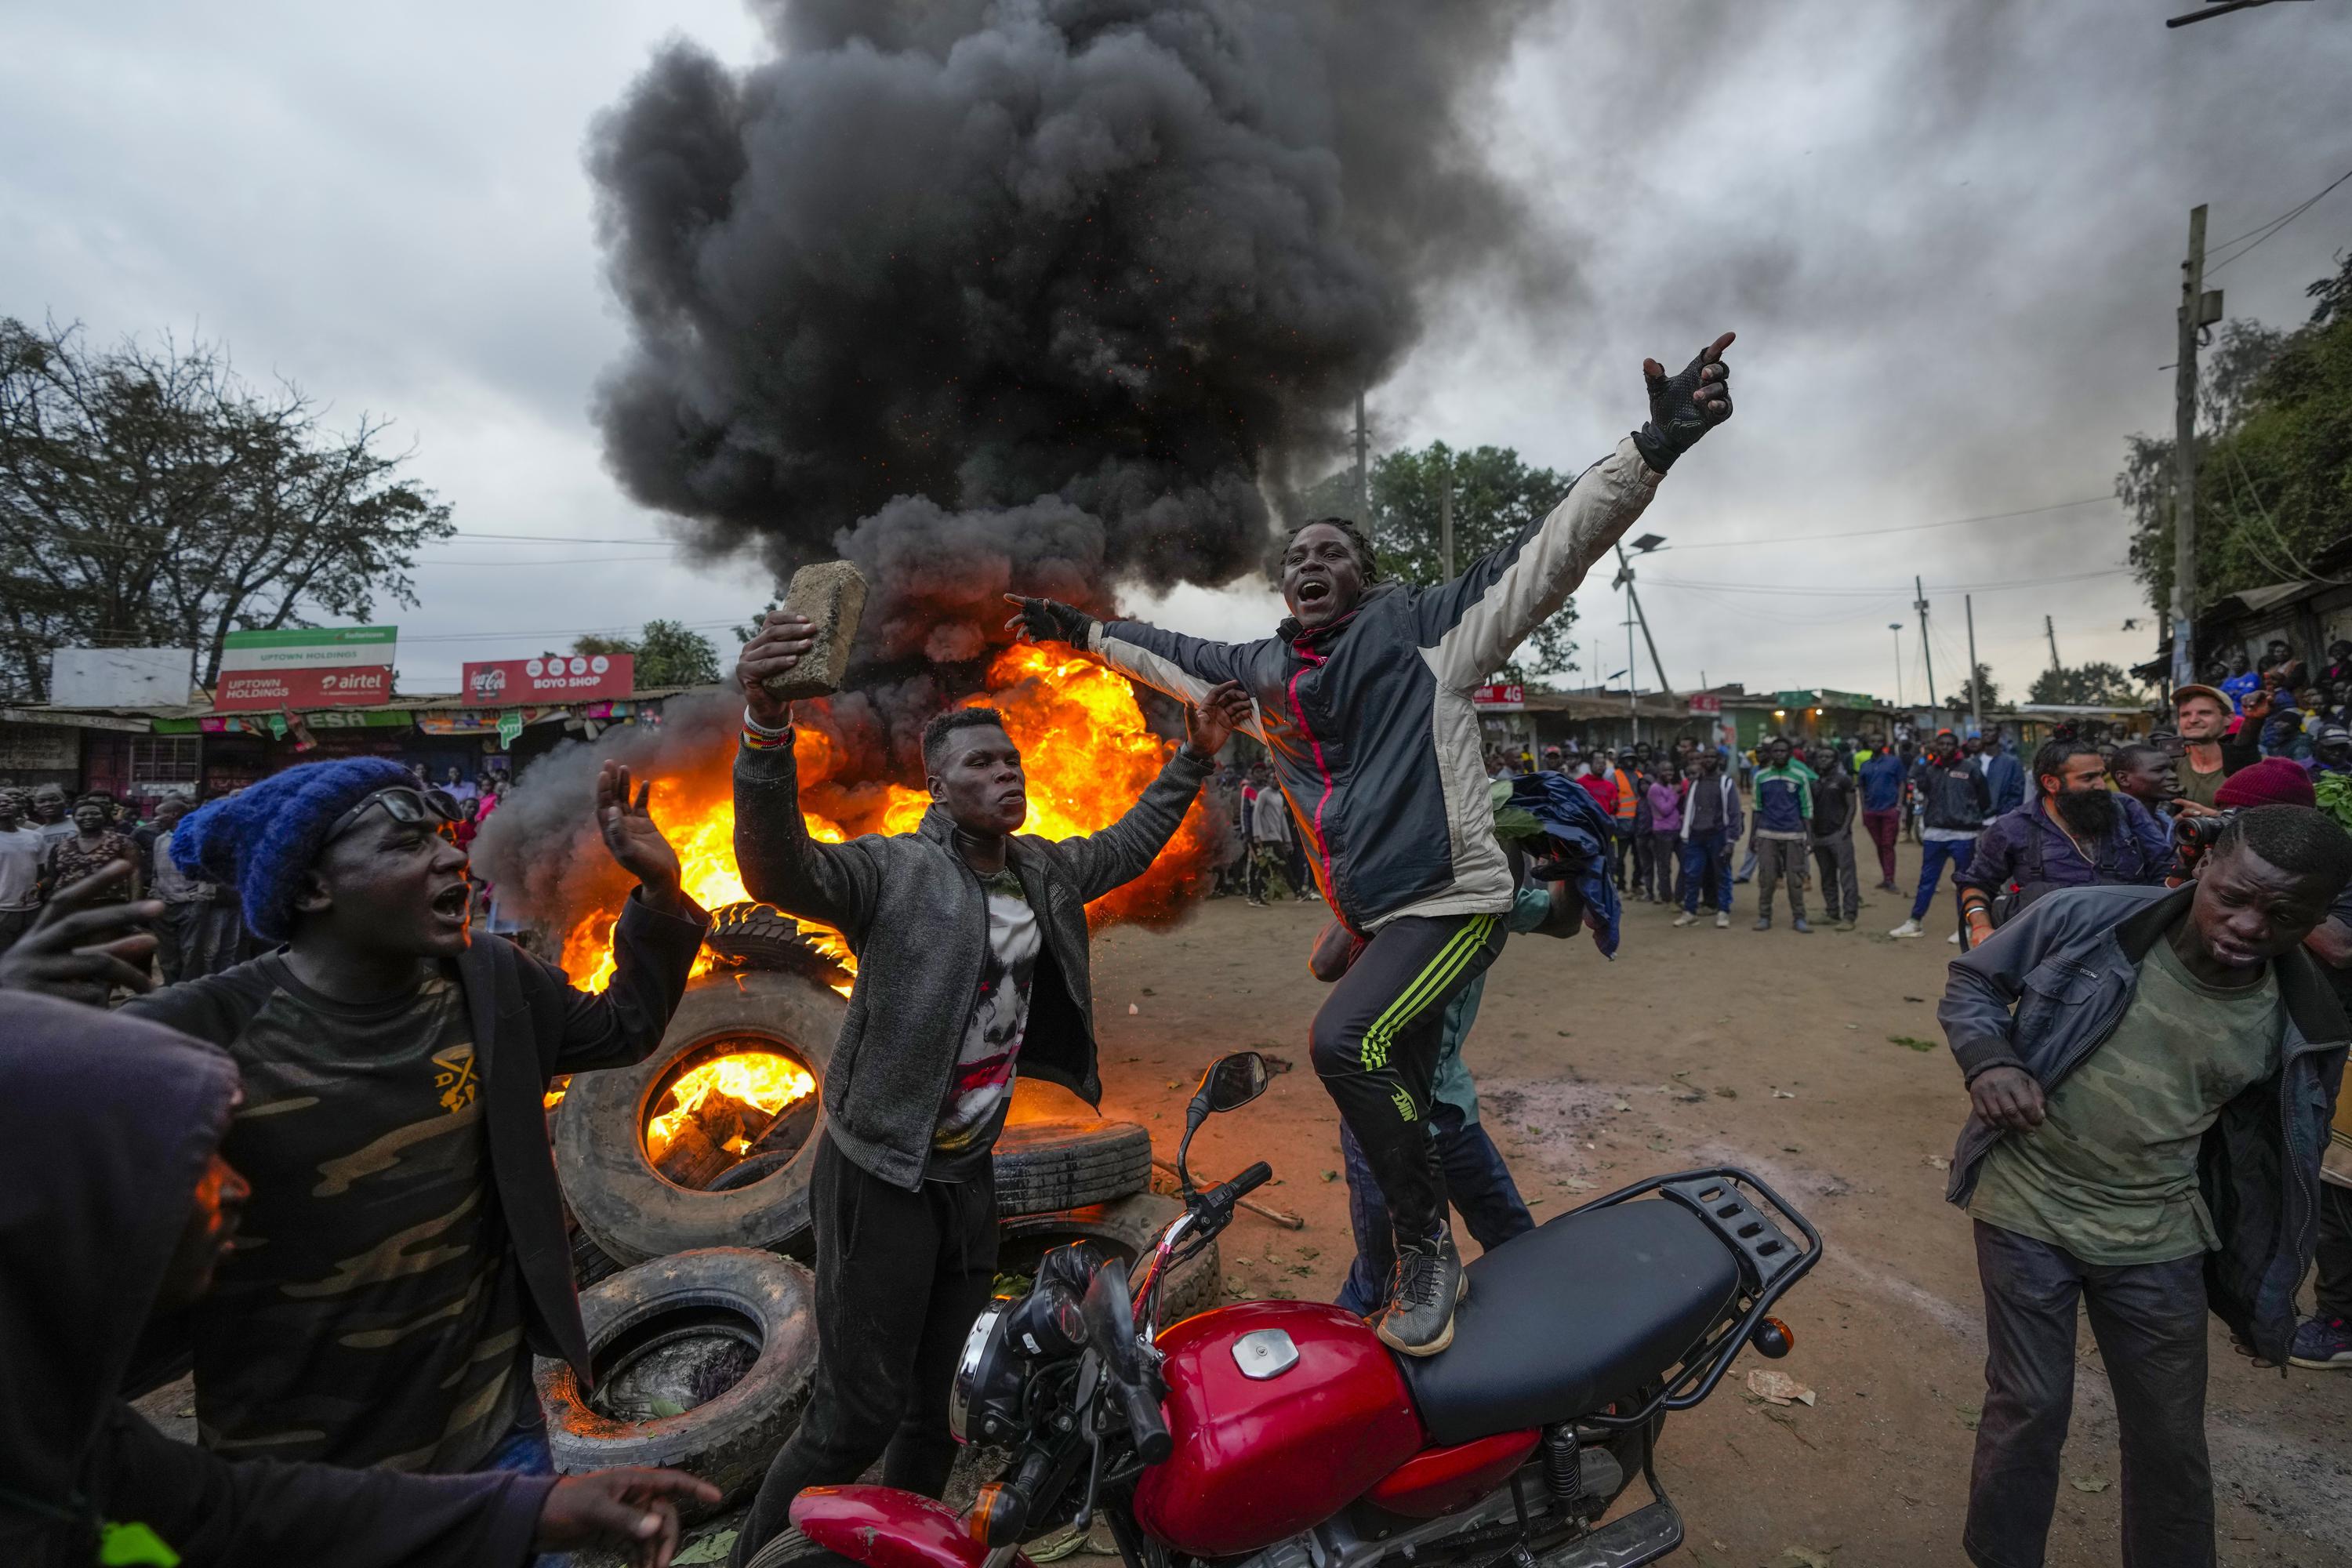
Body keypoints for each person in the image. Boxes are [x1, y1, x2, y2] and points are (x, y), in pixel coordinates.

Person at [1006, 332, 1738, 1353]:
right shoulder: (1262, 677)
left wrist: (1654, 446)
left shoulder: (1430, 633)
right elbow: (1167, 657)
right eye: (1298, 557)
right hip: (1379, 920)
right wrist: (1071, 629)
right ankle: (1528, 1275)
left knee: (1346, 1043)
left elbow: (1551, 550)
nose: (1311, 564)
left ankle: (1418, 1258)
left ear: (1364, 577)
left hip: (1452, 901)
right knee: (1425, 1104)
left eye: (1332, 554)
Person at [0, 758, 711, 1479]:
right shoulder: (202, 1029)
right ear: (311, 888)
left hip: (497, 1441)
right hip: (297, 1471)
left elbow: (626, 1028)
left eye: (443, 834)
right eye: (406, 845)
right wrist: (14, 1026)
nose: (453, 855)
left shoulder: (493, 979)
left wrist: (657, 889)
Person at [728, 608, 1250, 1564]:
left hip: (969, 1175)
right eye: (979, 766)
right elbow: (778, 867)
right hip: (879, 1174)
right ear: (937, 783)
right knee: (852, 1417)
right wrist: (764, 729)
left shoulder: (1042, 870)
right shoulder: (894, 871)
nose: (1004, 775)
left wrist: (1196, 757)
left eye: (1010, 763)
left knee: (935, 1414)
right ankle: (757, 1555)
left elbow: (1127, 846)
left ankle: (898, 1549)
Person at [0, 989, 720, 1568]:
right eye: (197, 1161)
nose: (237, 1189)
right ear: (73, 1205)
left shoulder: (61, 1429)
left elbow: (227, 1513)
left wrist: (529, 1512)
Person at [1939, 806, 2352, 1568]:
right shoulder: (2084, 917)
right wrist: (1990, 1058)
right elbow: (1972, 980)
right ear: (2204, 868)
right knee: (2030, 1405)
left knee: (2169, 1433)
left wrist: (2262, 1291)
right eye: (2233, 894)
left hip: (2159, 1230)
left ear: (2320, 920)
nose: (2248, 924)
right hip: (2027, 1201)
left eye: (2284, 913)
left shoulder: (2309, 1019)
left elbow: (2278, 1174)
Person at [1333, 884, 1547, 1314]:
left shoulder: (1495, 882)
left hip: (1450, 1105)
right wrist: (1370, 888)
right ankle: (1345, 1367)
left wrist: (1578, 859)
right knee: (1381, 1277)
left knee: (1517, 1240)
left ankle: (1542, 1348)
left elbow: (1557, 917)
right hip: (1382, 1117)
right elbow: (1323, 962)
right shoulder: (1394, 877)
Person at [1956, 738, 2172, 946]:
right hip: (2049, 951)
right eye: (2088, 778)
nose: (2101, 786)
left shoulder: (2127, 810)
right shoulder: (2011, 828)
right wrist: (1980, 927)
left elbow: (2164, 869)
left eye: (2101, 775)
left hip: (2128, 943)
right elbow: (1976, 884)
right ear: (2051, 783)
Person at [1891, 731, 1991, 940]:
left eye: (1949, 744)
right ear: (1936, 747)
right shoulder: (1930, 769)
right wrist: (1922, 757)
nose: (1945, 747)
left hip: (1964, 835)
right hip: (1935, 834)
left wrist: (1968, 815)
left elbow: (1984, 799)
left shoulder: (1970, 768)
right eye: (1941, 744)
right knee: (1927, 880)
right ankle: (1915, 922)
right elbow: (1918, 781)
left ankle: (1965, 927)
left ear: (1957, 747)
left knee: (1963, 883)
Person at [1674, 749, 1744, 930]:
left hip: (1718, 836)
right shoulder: (1696, 783)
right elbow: (1689, 809)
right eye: (1705, 757)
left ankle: (1723, 911)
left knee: (1722, 874)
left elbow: (1734, 812)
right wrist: (1685, 835)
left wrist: (1731, 841)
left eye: (1712, 757)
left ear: (1719, 760)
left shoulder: (1725, 783)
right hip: (1696, 836)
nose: (1708, 760)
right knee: (1692, 874)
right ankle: (1690, 912)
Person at [1749, 738, 1813, 933]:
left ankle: (1799, 918)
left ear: (1790, 753)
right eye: (1775, 751)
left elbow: (1806, 808)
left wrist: (1809, 836)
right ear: (1770, 754)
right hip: (1767, 833)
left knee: (1795, 879)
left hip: (1793, 833)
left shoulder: (1800, 776)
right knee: (1767, 878)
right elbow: (1756, 808)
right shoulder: (1761, 777)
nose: (1779, 754)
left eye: (1783, 751)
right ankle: (1764, 916)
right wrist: (1753, 836)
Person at [2172, 684, 2260, 811]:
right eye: (2185, 714)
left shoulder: (2256, 767)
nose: (2193, 720)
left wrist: (2214, 819)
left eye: (2204, 713)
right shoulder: (2169, 768)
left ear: (2229, 718)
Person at [44, 795, 140, 903]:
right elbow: (52, 877)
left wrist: (135, 906)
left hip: (110, 906)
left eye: (95, 813)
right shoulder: (61, 846)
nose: (88, 817)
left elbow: (135, 873)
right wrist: (38, 886)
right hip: (68, 907)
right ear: (74, 819)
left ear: (104, 817)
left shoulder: (122, 842)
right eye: (82, 814)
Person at [1807, 745, 1860, 931]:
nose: (1823, 760)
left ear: (1836, 761)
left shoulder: (1843, 780)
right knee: (1826, 876)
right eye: (1821, 756)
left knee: (1847, 877)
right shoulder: (1813, 782)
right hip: (1819, 836)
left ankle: (1849, 915)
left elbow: (1852, 806)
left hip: (1838, 835)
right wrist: (1811, 835)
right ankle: (1831, 912)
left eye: (1828, 757)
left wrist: (1845, 830)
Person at [1858, 739, 1907, 893]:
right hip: (1871, 810)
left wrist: (1898, 805)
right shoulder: (1865, 765)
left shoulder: (1894, 762)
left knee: (1887, 844)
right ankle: (1886, 877)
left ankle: (1889, 878)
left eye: (1878, 741)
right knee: (1880, 845)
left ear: (1883, 744)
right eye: (1873, 741)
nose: (1875, 744)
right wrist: (1864, 808)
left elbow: (1902, 783)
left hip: (1889, 809)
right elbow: (1862, 788)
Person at [0, 789, 44, 954]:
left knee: (27, 955)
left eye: (8, 802)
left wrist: (38, 886)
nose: (4, 805)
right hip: (3, 909)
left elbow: (42, 873)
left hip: (31, 907)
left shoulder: (35, 837)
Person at [1248, 764, 1294, 906]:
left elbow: (1282, 820)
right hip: (1266, 838)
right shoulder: (1263, 794)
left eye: (1277, 779)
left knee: (1269, 868)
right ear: (1268, 780)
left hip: (1277, 837)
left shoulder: (1279, 796)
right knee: (1274, 866)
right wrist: (1256, 835)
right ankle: (1297, 890)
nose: (1276, 781)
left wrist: (1287, 840)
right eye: (1273, 778)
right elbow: (1256, 814)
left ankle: (1256, 896)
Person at [1645, 762, 1683, 905]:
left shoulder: (1668, 786)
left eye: (1671, 770)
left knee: (1685, 862)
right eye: (1665, 770)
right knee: (1664, 866)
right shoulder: (1655, 789)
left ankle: (1679, 894)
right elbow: (1665, 809)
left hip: (1676, 830)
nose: (1669, 773)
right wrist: (1675, 794)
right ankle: (1666, 896)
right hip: (1663, 832)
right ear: (1659, 772)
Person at [2109, 742, 2178, 817]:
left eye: (2173, 769)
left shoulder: (2166, 821)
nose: (2173, 775)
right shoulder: (2113, 825)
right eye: (2159, 770)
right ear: (2123, 779)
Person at [1980, 731, 2024, 819]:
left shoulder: (2012, 762)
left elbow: (2017, 792)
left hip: (2000, 818)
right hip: (1976, 819)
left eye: (1990, 730)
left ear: (1998, 734)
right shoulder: (1973, 762)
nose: (1986, 733)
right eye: (1983, 731)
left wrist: (2004, 814)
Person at [27, 782, 74, 848]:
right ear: (35, 807)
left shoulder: (79, 825)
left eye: (54, 800)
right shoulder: (36, 834)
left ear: (66, 803)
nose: (48, 804)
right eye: (41, 801)